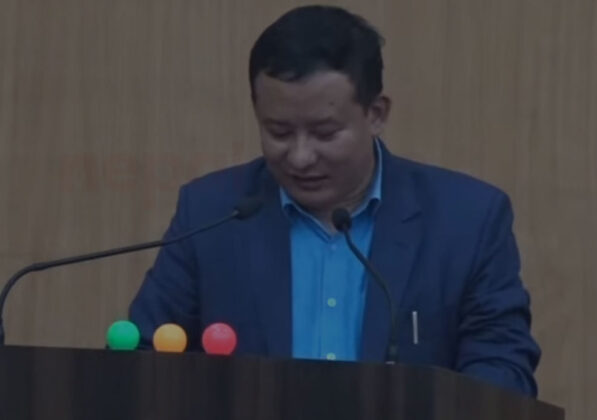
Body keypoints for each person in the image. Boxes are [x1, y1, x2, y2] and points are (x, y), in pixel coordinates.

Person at [129, 5, 540, 396]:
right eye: (279, 132)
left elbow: (503, 373)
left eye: (324, 133)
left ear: (376, 114)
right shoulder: (211, 212)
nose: (300, 157)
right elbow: (144, 360)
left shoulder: (467, 220)